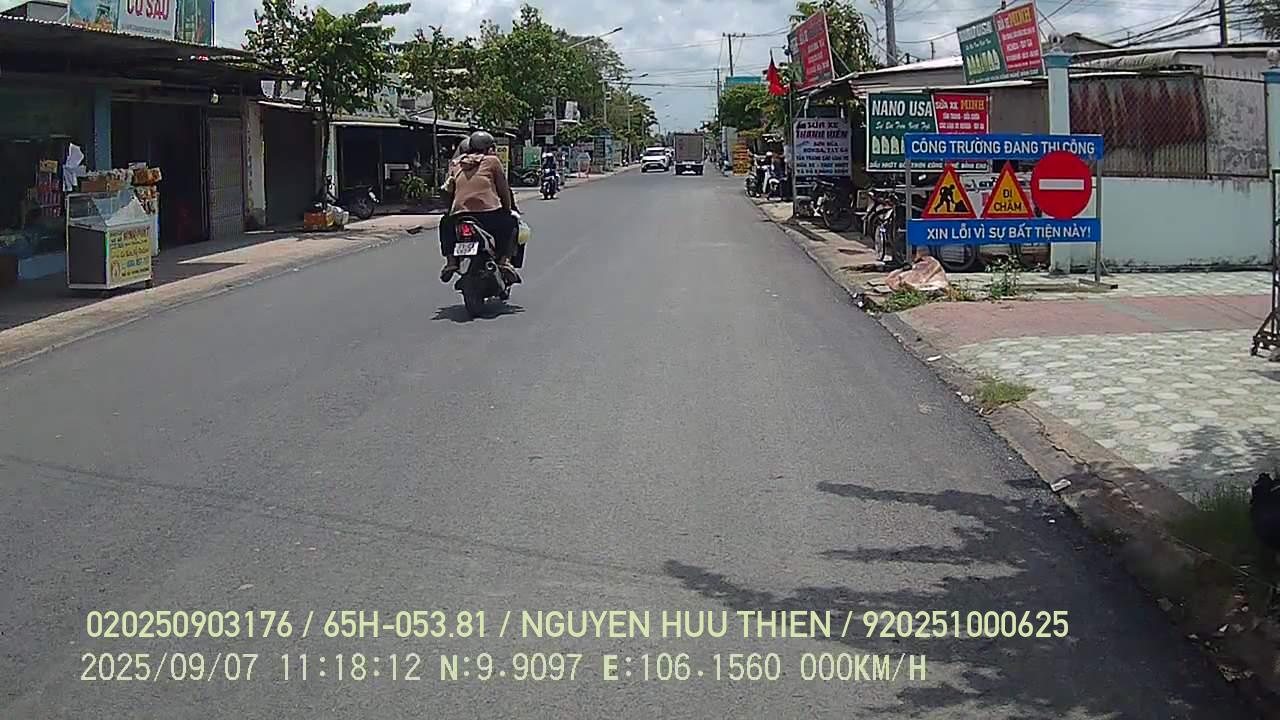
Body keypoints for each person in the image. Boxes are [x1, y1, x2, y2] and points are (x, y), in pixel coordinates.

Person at [439, 130, 519, 282]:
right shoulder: (492, 161)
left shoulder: (456, 164)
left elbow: (448, 191)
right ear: (489, 148)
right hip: (488, 213)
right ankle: (504, 261)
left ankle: (450, 262)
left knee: (445, 223)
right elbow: (503, 190)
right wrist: (508, 209)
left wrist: (452, 210)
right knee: (511, 223)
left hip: (459, 215)